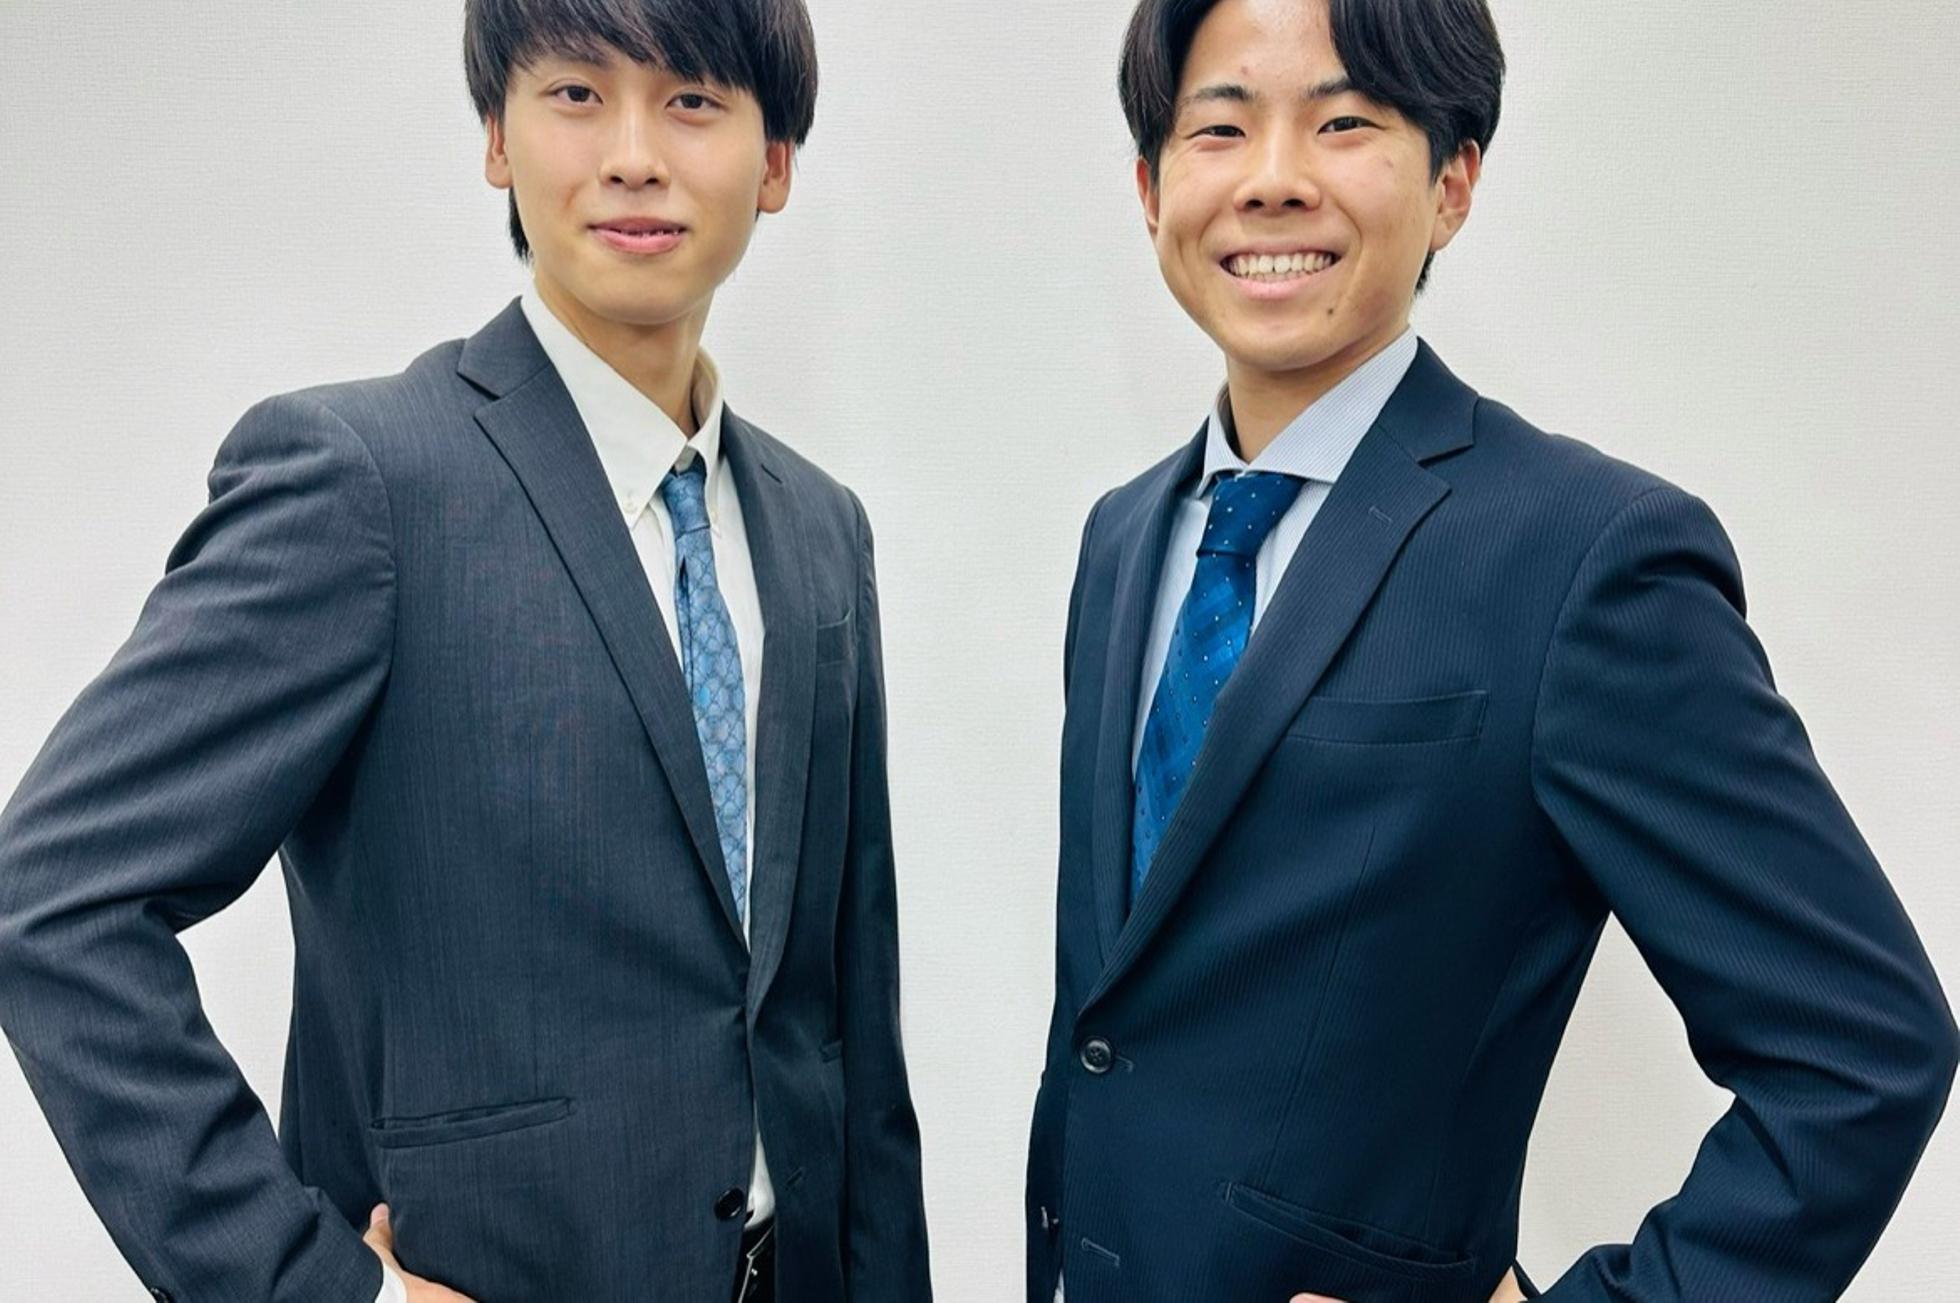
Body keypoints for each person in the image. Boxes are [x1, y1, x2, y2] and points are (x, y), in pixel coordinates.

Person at [1025, 1, 1956, 1299]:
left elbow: (1862, 1046)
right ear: (1150, 189)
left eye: (1344, 123)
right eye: (1219, 128)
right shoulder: (1124, 538)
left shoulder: (1583, 555)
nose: (1273, 178)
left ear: (1452, 182)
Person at [0, 2, 931, 1300]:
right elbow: (56, 900)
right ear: (497, 137)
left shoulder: (821, 529)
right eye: (576, 95)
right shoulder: (364, 481)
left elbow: (847, 1019)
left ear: (774, 162)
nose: (633, 156)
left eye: (693, 101)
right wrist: (320, 1290)